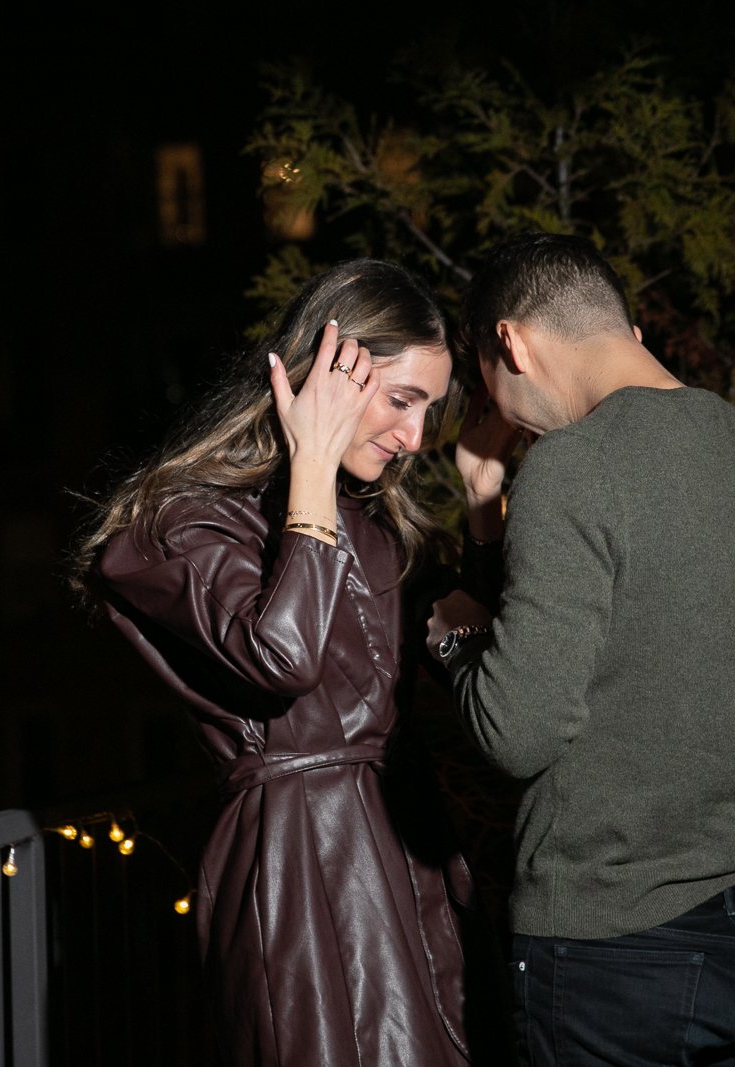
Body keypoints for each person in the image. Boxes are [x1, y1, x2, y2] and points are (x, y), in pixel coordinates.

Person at [426, 231, 735, 1066]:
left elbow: (515, 733)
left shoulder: (571, 466)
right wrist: (486, 508)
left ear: (511, 342)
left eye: (488, 382)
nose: (502, 416)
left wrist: (457, 644)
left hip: (612, 950)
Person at [68, 258, 500, 1066]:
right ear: (327, 373)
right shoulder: (181, 524)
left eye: (428, 411)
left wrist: (481, 509)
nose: (415, 438)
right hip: (302, 866)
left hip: (409, 853)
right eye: (401, 401)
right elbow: (278, 660)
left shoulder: (369, 522)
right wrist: (309, 464)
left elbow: (479, 655)